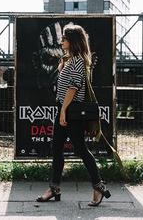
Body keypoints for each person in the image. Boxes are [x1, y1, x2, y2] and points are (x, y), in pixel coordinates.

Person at [36, 24, 111, 207]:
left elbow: (74, 87)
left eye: (64, 38)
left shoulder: (78, 60)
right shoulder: (68, 60)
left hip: (72, 111)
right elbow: (65, 84)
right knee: (57, 148)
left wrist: (63, 111)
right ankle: (54, 188)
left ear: (73, 41)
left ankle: (98, 186)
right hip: (65, 108)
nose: (61, 41)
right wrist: (62, 68)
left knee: (81, 149)